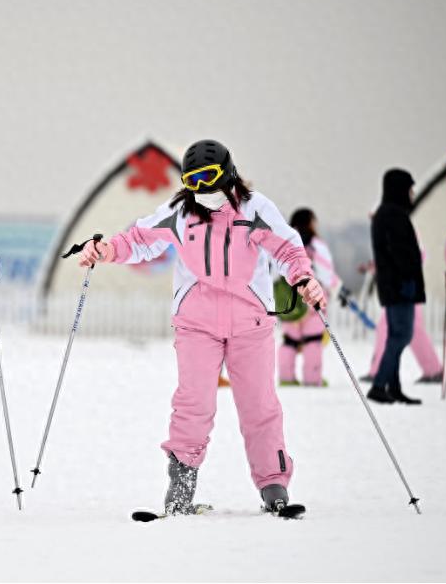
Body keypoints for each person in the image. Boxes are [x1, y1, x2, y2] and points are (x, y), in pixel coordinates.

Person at [75, 140, 324, 514]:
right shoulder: (180, 212)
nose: (200, 188)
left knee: (259, 406)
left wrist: (303, 278)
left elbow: (287, 248)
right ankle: (180, 490)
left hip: (250, 323)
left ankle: (274, 486)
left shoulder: (256, 209)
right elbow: (140, 240)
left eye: (207, 177)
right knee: (194, 405)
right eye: (191, 180)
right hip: (197, 324)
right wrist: (105, 250)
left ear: (228, 174)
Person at [367, 169, 424, 405]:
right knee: (402, 335)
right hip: (399, 285)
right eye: (409, 189)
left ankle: (393, 386)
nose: (412, 194)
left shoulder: (387, 213)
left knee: (396, 335)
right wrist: (407, 281)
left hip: (393, 284)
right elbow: (400, 252)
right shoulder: (393, 215)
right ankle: (380, 385)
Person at [278, 208, 341, 386]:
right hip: (312, 298)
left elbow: (275, 270)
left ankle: (286, 377)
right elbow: (327, 273)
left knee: (289, 340)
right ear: (311, 222)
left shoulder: (285, 242)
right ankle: (312, 378)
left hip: (289, 300)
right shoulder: (316, 245)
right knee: (313, 339)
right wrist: (337, 287)